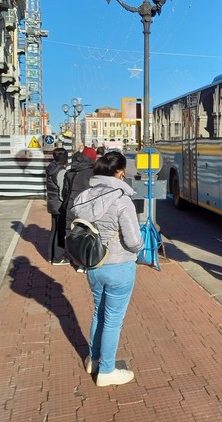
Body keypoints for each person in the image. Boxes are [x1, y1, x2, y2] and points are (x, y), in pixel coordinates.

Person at [69, 151, 144, 387]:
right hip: (119, 266)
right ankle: (107, 371)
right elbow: (133, 241)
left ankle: (94, 358)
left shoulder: (84, 197)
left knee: (98, 312)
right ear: (120, 172)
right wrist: (141, 247)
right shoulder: (122, 200)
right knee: (113, 319)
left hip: (92, 264)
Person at [60, 146, 98, 265]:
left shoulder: (71, 171)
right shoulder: (92, 172)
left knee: (72, 234)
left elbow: (64, 191)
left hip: (71, 206)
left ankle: (76, 261)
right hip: (85, 207)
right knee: (87, 234)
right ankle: (85, 262)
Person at [45, 148, 69, 264]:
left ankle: (51, 255)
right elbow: (62, 192)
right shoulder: (61, 171)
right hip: (59, 205)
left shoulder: (51, 168)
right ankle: (58, 258)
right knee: (60, 232)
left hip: (52, 203)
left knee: (54, 230)